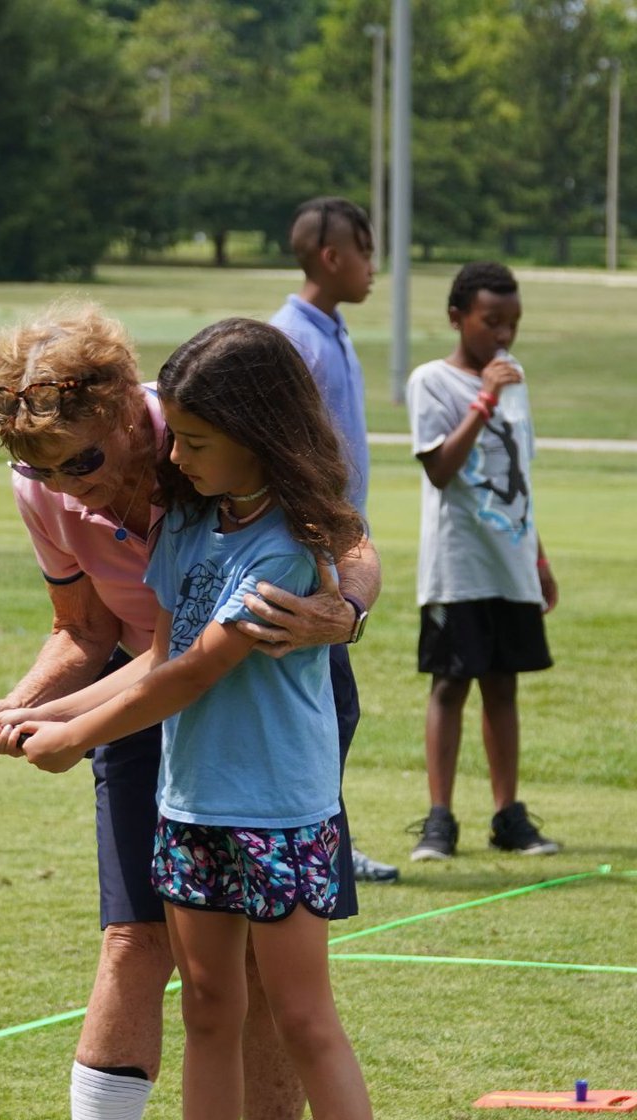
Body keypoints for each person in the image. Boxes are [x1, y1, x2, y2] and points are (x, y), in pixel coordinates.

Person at [0, 300, 382, 1120]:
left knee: (281, 989)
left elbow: (197, 660)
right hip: (168, 753)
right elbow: (106, 637)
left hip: (269, 755)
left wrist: (346, 610)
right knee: (143, 948)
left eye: (81, 460)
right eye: (37, 467)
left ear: (126, 417)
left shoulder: (207, 419)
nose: (66, 486)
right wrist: (20, 712)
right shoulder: (115, 503)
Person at [406, 261, 560, 861]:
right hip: (459, 563)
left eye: (513, 323)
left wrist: (538, 556)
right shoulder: (432, 382)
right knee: (451, 683)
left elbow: (519, 477)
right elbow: (441, 470)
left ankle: (508, 816)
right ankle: (439, 821)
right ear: (457, 318)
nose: (504, 335)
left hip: (511, 561)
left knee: (504, 685)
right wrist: (486, 396)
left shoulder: (516, 381)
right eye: (491, 321)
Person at [269, 196, 399, 885]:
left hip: (343, 553)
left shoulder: (333, 330)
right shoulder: (292, 338)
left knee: (335, 707)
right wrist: (322, 556)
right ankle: (321, 845)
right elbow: (285, 453)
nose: (374, 268)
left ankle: (325, 840)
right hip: (310, 558)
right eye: (368, 252)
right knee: (329, 707)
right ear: (332, 256)